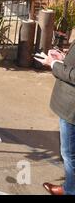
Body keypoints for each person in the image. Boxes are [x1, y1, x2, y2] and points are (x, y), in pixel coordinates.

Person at [35, 46, 75, 195]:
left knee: (69, 153)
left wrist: (54, 64)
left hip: (72, 110)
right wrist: (65, 58)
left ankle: (70, 190)